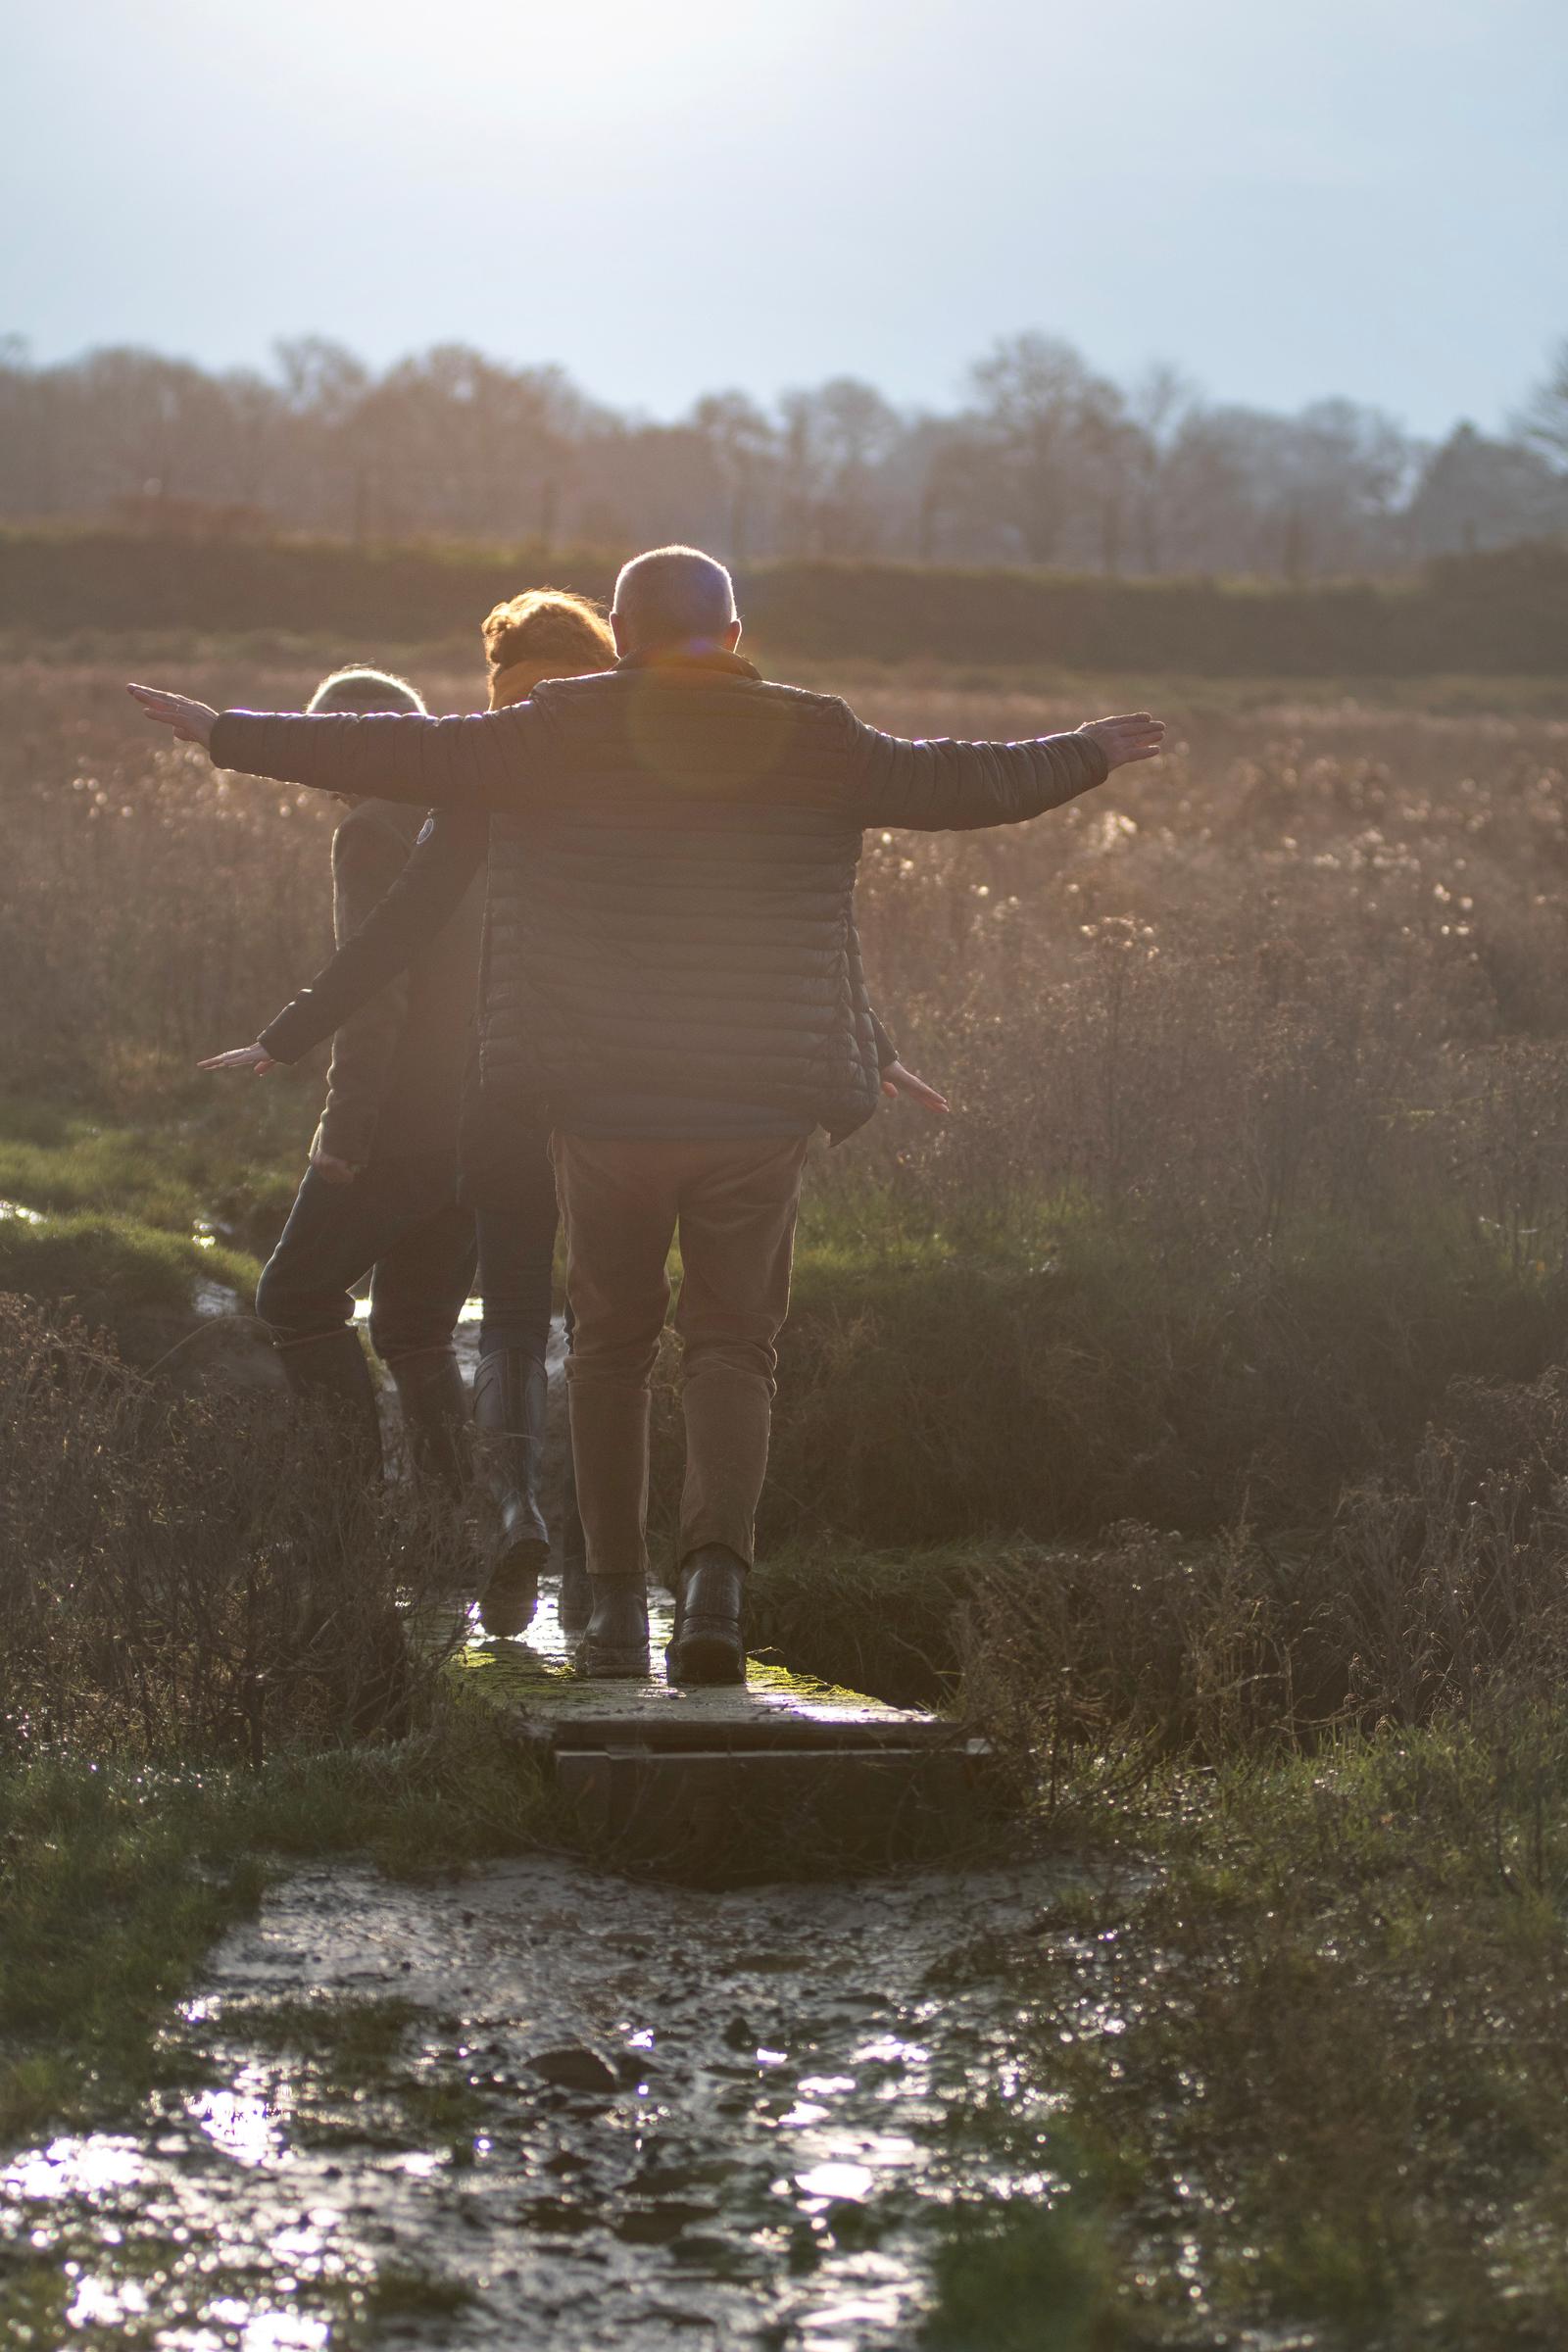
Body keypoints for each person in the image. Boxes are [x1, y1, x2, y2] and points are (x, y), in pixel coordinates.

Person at [129, 546, 1164, 1689]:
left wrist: (225, 731)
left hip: (605, 1105)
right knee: (734, 1347)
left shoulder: (553, 732)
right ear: (730, 633)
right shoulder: (814, 733)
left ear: (620, 636)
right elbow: (963, 784)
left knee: (613, 1348)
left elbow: (397, 748)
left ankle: (617, 1614)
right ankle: (716, 1588)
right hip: (760, 1108)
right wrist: (1085, 753)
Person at [201, 590, 944, 1646]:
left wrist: (322, 1087)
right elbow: (770, 917)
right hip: (567, 1105)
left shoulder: (467, 794)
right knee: (551, 1328)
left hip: (476, 1108)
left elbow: (393, 961)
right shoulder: (635, 782)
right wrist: (872, 1044)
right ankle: (556, 1546)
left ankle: (441, 1524)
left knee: (477, 1322)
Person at [241, 664, 480, 1499]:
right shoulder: (474, 815)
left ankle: (346, 1522)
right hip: (483, 1117)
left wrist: (345, 1131)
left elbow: (377, 990)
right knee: (417, 1331)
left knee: (296, 1297)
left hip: (402, 1117)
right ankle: (456, 1536)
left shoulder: (372, 831)